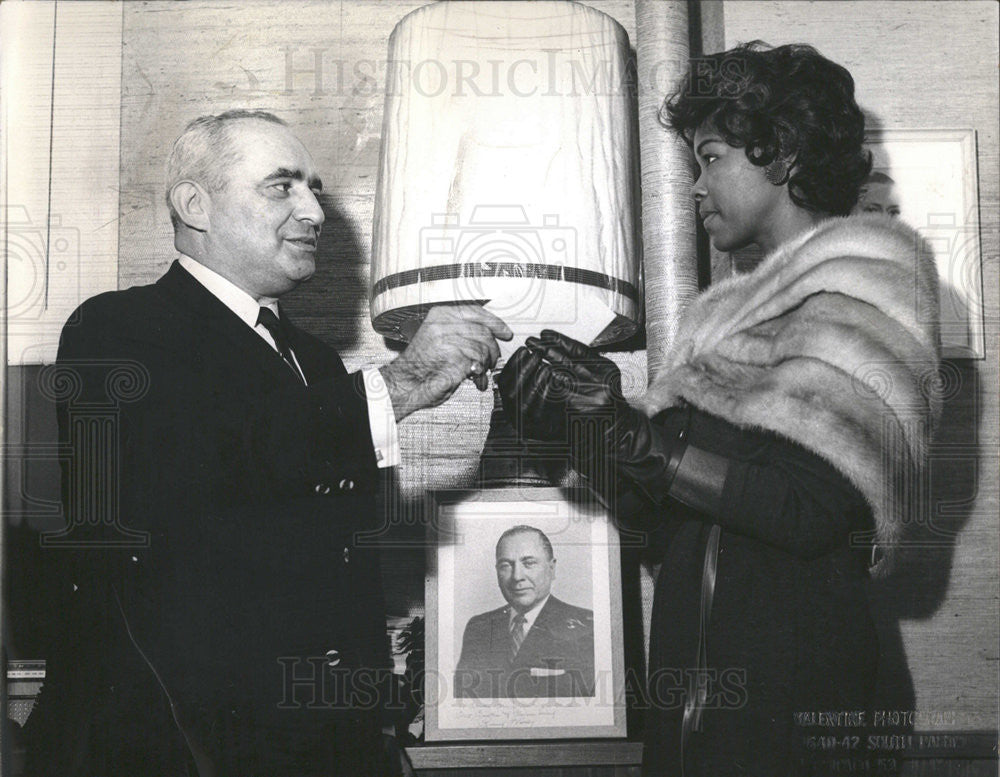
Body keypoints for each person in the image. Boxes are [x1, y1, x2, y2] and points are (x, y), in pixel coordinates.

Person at [24, 109, 512, 777]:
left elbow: (335, 558)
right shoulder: (117, 328)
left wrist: (372, 721)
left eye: (312, 187)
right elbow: (214, 465)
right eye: (281, 186)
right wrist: (403, 382)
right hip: (172, 743)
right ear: (195, 205)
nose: (314, 210)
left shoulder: (313, 359)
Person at [498, 43, 940, 776]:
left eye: (711, 158)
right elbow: (662, 527)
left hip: (796, 690)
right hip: (694, 689)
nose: (696, 188)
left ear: (786, 153)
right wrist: (583, 430)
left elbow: (807, 511)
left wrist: (631, 433)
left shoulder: (871, 285)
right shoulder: (717, 322)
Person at [454, 525, 595, 699]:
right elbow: (461, 700)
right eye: (506, 565)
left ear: (551, 569)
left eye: (528, 563)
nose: (516, 576)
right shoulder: (478, 627)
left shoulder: (589, 627)